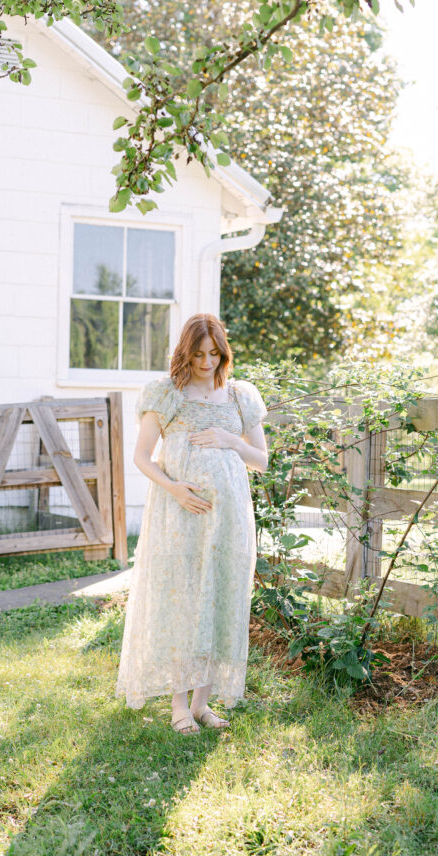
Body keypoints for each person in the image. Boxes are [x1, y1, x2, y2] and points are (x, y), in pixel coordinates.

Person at [115, 313, 269, 734]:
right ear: (186, 351)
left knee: (218, 598)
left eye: (214, 354)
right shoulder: (166, 393)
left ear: (224, 352)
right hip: (179, 514)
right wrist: (175, 489)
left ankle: (203, 703)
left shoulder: (239, 396)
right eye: (199, 354)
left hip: (229, 518)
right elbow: (143, 457)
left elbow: (261, 460)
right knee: (181, 600)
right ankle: (178, 705)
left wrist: (231, 441)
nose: (206, 362)